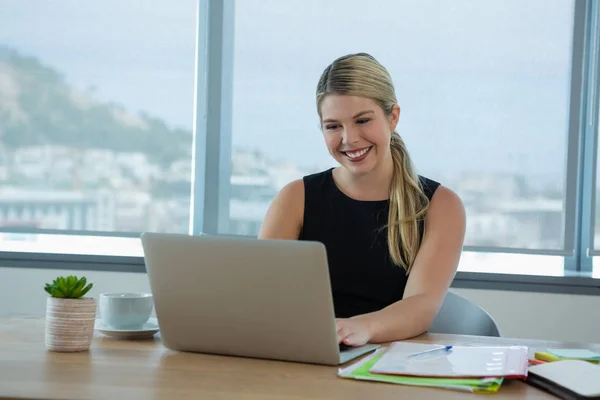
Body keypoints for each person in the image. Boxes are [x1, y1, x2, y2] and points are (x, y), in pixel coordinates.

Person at [258, 52, 466, 347]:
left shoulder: (441, 206)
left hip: (390, 367)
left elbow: (421, 306)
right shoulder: (295, 197)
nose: (349, 138)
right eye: (333, 126)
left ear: (392, 117)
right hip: (305, 356)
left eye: (362, 121)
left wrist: (357, 329)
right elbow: (262, 292)